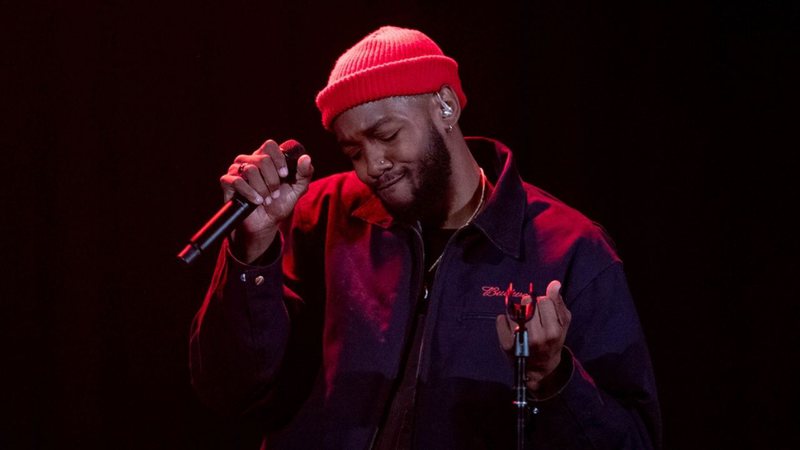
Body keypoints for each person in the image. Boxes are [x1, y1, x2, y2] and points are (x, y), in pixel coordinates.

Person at [189, 26, 661, 449]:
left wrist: (554, 378)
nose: (372, 165)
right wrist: (252, 252)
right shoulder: (318, 218)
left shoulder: (568, 248)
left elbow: (634, 440)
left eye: (388, 135)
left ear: (445, 106)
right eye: (354, 150)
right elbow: (228, 389)